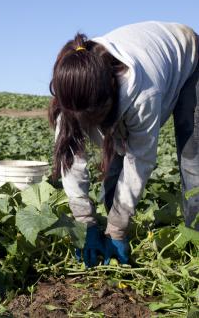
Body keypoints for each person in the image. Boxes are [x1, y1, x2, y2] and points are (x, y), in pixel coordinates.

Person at [48, 21, 199, 267]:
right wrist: (84, 222)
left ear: (109, 97)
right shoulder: (73, 94)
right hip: (149, 61)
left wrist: (118, 229)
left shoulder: (142, 94)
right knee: (114, 173)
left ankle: (196, 246)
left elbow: (139, 161)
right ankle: (107, 233)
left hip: (190, 59)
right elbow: (72, 161)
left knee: (194, 163)